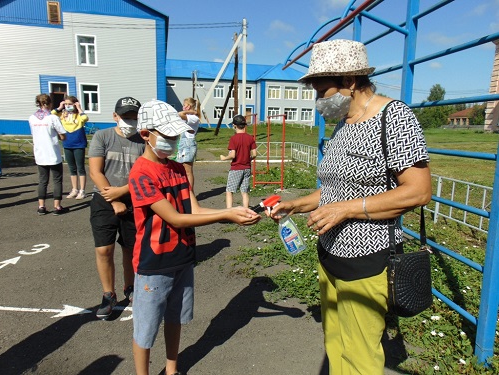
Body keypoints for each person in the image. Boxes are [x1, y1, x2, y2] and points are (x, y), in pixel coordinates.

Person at [267, 39, 432, 375]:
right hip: (329, 255)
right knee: (336, 344)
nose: (318, 100)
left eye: (321, 89)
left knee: (360, 357)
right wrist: (297, 204)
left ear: (350, 82)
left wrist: (345, 210)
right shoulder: (343, 124)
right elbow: (334, 190)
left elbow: (417, 192)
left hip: (367, 261)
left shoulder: (394, 117)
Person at [128, 100, 261, 375]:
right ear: (145, 134)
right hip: (153, 264)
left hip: (184, 257)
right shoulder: (141, 173)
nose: (174, 141)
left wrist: (233, 210)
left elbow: (195, 209)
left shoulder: (177, 169)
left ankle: (172, 368)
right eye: (167, 136)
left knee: (175, 318)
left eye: (176, 135)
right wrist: (227, 215)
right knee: (146, 328)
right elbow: (175, 218)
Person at [88, 96, 145, 320]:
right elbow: (95, 172)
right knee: (104, 249)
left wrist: (122, 194)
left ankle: (130, 287)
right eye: (125, 117)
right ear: (115, 116)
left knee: (131, 250)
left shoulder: (142, 140)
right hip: (104, 199)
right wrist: (114, 199)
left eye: (134, 118)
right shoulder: (103, 136)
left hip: (133, 199)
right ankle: (108, 294)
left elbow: (144, 175)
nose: (129, 122)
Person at [28, 94, 67, 215]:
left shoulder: (32, 118)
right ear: (50, 104)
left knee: (43, 180)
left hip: (39, 152)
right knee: (57, 180)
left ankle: (41, 206)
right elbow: (62, 135)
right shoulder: (52, 118)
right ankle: (57, 206)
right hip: (52, 152)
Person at [52, 96, 89, 200]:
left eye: (70, 104)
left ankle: (82, 191)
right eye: (66, 104)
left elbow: (85, 118)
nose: (68, 106)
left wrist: (79, 108)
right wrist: (60, 107)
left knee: (80, 168)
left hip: (79, 144)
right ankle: (74, 189)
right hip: (67, 144)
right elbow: (52, 114)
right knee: (72, 168)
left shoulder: (79, 116)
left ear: (75, 104)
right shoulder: (62, 115)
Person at [220, 115, 257, 208]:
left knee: (229, 191)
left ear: (234, 125)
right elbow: (255, 154)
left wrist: (224, 158)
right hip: (247, 168)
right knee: (244, 191)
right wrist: (249, 159)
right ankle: (246, 210)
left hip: (236, 168)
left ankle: (229, 212)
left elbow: (232, 155)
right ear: (244, 125)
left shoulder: (234, 139)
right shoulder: (250, 138)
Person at [176, 97, 201, 190]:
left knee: (188, 171)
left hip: (188, 144)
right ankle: (183, 191)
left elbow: (180, 114)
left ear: (189, 106)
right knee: (181, 169)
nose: (183, 107)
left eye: (184, 105)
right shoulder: (189, 116)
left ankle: (190, 193)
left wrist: (192, 112)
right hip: (182, 143)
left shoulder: (193, 117)